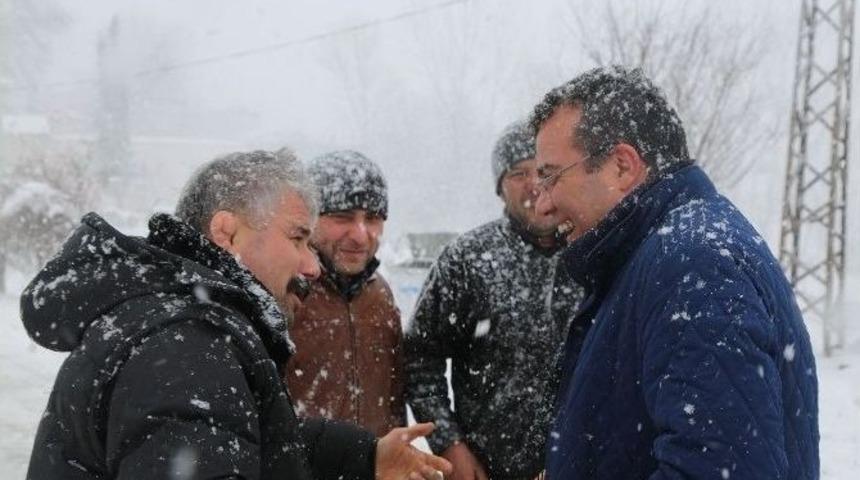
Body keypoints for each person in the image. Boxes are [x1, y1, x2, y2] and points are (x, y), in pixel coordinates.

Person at [20, 149, 451, 479]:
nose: (312, 265)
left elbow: (255, 440)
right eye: (299, 238)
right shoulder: (188, 348)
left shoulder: (188, 324)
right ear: (227, 232)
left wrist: (365, 456)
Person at [530, 66, 819, 479]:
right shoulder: (660, 253)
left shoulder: (691, 264)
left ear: (622, 166)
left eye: (550, 176)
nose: (541, 206)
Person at [404, 121, 583, 480]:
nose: (535, 184)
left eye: (544, 171)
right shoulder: (467, 259)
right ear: (500, 188)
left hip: (582, 463)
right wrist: (449, 442)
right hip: (489, 468)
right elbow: (419, 359)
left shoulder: (594, 253)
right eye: (519, 173)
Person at [285, 150, 406, 437]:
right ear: (309, 219)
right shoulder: (283, 292)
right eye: (343, 217)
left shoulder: (380, 295)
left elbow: (395, 398)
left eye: (373, 218)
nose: (360, 235)